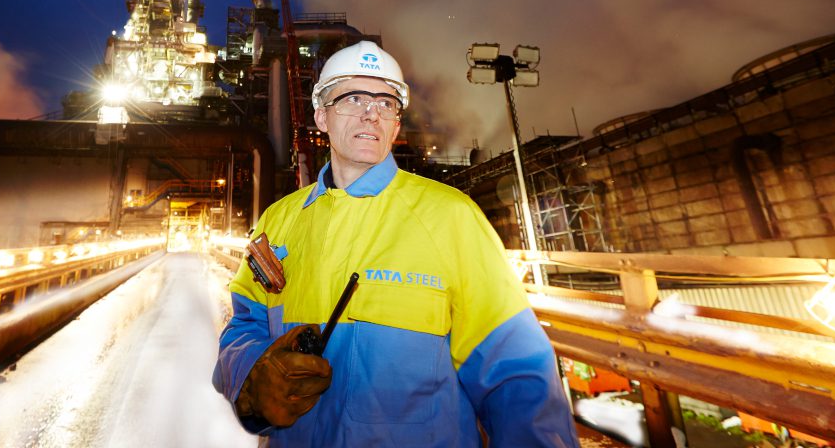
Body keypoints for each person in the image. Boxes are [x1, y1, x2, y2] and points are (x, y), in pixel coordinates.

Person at [213, 40, 580, 447]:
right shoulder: (280, 221)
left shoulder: (450, 216)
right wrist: (252, 376)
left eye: (387, 103)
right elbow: (244, 323)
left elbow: (514, 372)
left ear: (396, 124)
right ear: (321, 116)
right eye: (354, 97)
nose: (372, 113)